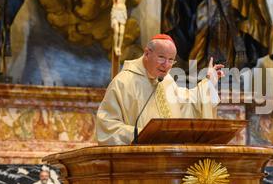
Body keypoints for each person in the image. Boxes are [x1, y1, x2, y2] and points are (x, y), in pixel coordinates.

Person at [96, 34, 225, 145]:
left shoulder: (167, 80)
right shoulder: (123, 82)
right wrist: (141, 134)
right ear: (147, 53)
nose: (166, 65)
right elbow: (107, 126)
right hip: (138, 161)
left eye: (171, 60)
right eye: (162, 58)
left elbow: (188, 105)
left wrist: (209, 83)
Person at [81, 0, 156, 56]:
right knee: (116, 30)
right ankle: (116, 47)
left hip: (122, 12)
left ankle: (119, 47)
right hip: (115, 12)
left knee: (121, 31)